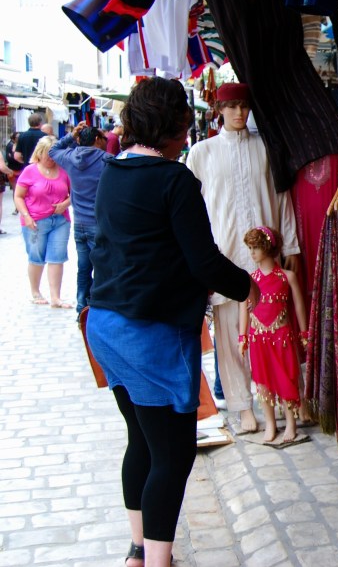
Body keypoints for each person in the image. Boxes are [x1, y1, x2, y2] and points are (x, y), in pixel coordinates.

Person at [86, 77, 257, 567]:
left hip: (106, 326)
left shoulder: (113, 170)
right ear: (177, 125)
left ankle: (138, 550)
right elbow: (205, 262)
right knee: (174, 453)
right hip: (149, 335)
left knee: (142, 438)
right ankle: (158, 561)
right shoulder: (174, 180)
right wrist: (250, 286)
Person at [186, 82, 301, 434]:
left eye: (244, 106)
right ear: (219, 110)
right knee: (230, 332)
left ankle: (281, 399)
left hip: (266, 256)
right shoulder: (202, 153)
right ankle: (242, 405)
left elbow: (282, 198)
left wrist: (290, 246)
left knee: (275, 330)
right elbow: (190, 208)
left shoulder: (267, 147)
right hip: (226, 255)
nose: (239, 113)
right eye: (232, 106)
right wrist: (200, 258)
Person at [238, 226, 308, 444]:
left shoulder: (287, 277)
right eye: (250, 248)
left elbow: (299, 306)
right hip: (258, 338)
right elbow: (243, 307)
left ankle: (291, 422)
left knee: (286, 377)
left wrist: (304, 333)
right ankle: (270, 423)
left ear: (268, 247)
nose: (252, 252)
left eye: (256, 247)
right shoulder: (250, 279)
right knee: (262, 382)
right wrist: (242, 337)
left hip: (282, 337)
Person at [49, 121, 113, 314]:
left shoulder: (70, 157)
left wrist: (71, 135)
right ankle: (98, 306)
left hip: (80, 223)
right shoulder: (106, 160)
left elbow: (53, 150)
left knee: (83, 268)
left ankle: (81, 307)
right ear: (97, 139)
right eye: (103, 138)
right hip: (98, 223)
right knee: (102, 267)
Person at [13, 136, 73, 307]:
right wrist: (26, 216)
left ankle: (55, 297)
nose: (51, 159)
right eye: (48, 155)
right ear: (39, 153)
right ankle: (35, 291)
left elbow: (74, 193)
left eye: (54, 155)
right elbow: (18, 196)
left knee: (57, 257)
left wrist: (65, 204)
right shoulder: (29, 171)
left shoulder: (64, 170)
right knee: (36, 256)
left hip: (60, 220)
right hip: (35, 221)